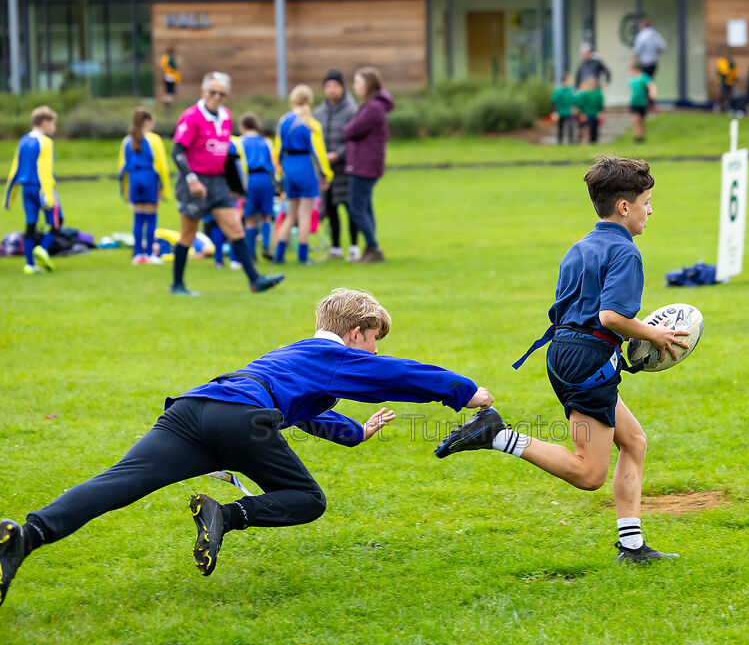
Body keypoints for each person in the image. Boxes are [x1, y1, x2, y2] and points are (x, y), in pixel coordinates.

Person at [0, 288, 495, 605]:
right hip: (242, 420)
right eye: (374, 339)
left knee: (117, 484)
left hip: (192, 410)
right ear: (356, 331)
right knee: (308, 500)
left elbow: (307, 410)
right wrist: (467, 392)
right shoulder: (336, 354)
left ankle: (25, 537)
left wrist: (354, 432)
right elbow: (399, 375)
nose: (375, 350)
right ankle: (225, 516)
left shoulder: (291, 353)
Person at [436, 156, 690, 564]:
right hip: (586, 359)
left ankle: (632, 546)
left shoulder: (580, 246)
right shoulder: (626, 253)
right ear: (624, 207)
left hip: (563, 352)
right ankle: (496, 434)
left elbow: (579, 311)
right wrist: (653, 334)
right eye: (646, 201)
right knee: (589, 474)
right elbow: (611, 317)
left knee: (635, 441)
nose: (650, 210)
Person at [170, 71, 284, 295]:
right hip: (194, 182)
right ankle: (177, 284)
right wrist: (192, 179)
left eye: (221, 93)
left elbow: (224, 153)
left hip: (218, 181)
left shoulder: (226, 116)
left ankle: (255, 280)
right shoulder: (192, 116)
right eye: (212, 92)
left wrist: (235, 186)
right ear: (203, 92)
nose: (216, 96)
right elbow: (177, 151)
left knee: (235, 228)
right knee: (188, 234)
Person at [273, 85, 334, 265]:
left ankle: (279, 255)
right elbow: (319, 152)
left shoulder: (284, 121)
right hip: (305, 167)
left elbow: (278, 150)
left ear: (292, 100)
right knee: (305, 214)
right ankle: (302, 257)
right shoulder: (311, 123)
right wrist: (326, 174)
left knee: (290, 214)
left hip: (289, 168)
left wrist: (280, 173)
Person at [343, 66, 393, 264]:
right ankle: (372, 248)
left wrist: (347, 127)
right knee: (365, 207)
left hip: (364, 165)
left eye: (357, 82)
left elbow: (352, 130)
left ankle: (373, 247)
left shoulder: (372, 108)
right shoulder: (371, 106)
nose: (354, 86)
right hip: (365, 164)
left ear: (368, 85)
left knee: (356, 208)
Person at [3, 106, 61, 275]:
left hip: (25, 188)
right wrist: (48, 195)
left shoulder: (23, 140)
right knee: (57, 222)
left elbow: (15, 168)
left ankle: (29, 264)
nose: (54, 128)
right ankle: (42, 249)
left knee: (30, 224)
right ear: (45, 122)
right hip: (41, 188)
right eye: (53, 124)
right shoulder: (46, 142)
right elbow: (45, 170)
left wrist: (9, 196)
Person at [314, 70, 361, 262]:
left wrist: (339, 154)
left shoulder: (352, 110)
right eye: (328, 86)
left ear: (342, 88)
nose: (332, 90)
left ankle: (354, 246)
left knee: (351, 209)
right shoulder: (318, 113)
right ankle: (335, 247)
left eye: (335, 86)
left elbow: (355, 139)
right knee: (330, 208)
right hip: (327, 171)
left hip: (347, 169)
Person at [118, 107, 171, 265]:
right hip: (149, 179)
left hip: (134, 180)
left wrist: (126, 192)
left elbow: (122, 167)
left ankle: (137, 254)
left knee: (138, 217)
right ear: (147, 121)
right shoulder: (153, 140)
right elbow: (161, 166)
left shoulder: (127, 141)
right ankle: (150, 254)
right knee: (151, 217)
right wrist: (165, 189)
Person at [236, 113, 276, 261]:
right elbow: (272, 164)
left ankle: (251, 253)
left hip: (249, 179)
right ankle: (266, 246)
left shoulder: (240, 142)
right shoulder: (266, 142)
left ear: (243, 126)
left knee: (250, 218)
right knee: (266, 215)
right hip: (265, 178)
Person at [628, 63, 656, 143]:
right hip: (634, 102)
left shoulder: (643, 77)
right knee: (635, 119)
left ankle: (642, 136)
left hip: (643, 102)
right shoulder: (631, 78)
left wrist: (652, 93)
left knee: (642, 120)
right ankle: (636, 137)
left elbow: (651, 85)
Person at [573, 78, 604, 144]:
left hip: (595, 114)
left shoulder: (598, 93)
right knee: (587, 129)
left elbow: (600, 104)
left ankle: (594, 143)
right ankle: (584, 142)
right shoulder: (584, 93)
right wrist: (581, 113)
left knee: (594, 130)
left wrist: (600, 112)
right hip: (587, 114)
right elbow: (577, 102)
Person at [551, 72, 575, 145]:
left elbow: (573, 100)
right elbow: (553, 102)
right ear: (565, 80)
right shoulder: (559, 91)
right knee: (560, 128)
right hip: (560, 112)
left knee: (570, 126)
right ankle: (560, 143)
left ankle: (571, 142)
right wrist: (554, 112)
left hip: (568, 112)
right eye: (569, 79)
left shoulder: (571, 90)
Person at [716, 48, 738, 113]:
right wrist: (729, 71)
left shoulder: (731, 62)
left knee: (729, 94)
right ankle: (719, 106)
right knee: (723, 93)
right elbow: (723, 70)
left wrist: (734, 78)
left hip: (730, 81)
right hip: (723, 80)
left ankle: (728, 106)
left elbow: (735, 71)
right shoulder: (721, 61)